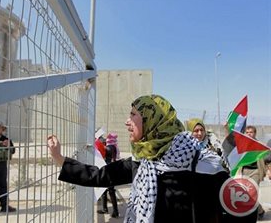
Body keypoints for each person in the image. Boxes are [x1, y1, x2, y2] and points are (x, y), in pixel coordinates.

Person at [48, 95, 253, 222]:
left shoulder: (207, 165)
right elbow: (99, 176)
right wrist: (59, 158)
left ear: (153, 120)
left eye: (134, 115)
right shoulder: (143, 164)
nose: (127, 122)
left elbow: (239, 208)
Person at [240, 125, 267, 220]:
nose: (249, 134)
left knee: (252, 193)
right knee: (246, 193)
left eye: (251, 132)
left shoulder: (259, 144)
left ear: (255, 133)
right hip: (245, 171)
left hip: (256, 171)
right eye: (247, 132)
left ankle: (253, 215)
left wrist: (267, 171)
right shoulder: (242, 144)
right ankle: (260, 210)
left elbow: (266, 159)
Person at [97, 132, 119, 218]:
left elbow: (106, 151)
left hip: (109, 170)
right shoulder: (114, 146)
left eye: (108, 138)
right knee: (108, 190)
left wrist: (101, 146)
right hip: (111, 169)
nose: (106, 139)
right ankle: (107, 209)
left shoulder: (110, 147)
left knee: (110, 190)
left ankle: (114, 211)